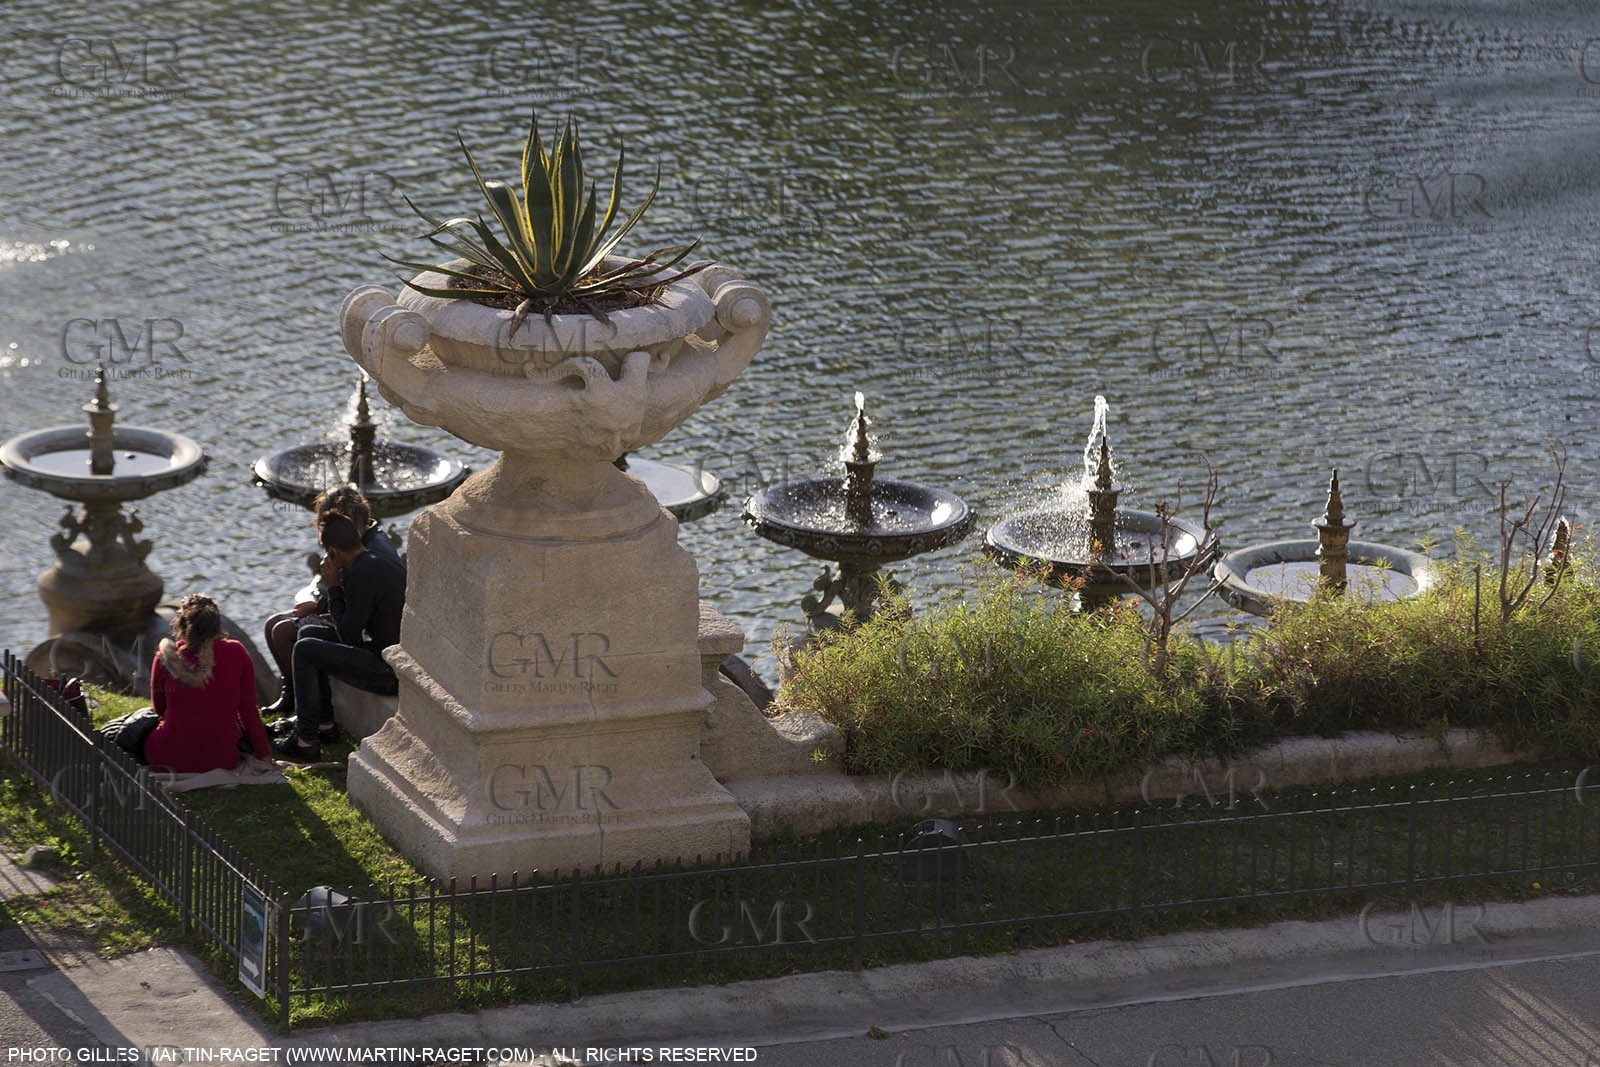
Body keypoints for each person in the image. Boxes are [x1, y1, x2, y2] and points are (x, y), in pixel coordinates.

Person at [275, 512, 406, 761]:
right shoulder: (373, 562)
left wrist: (333, 586)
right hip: (384, 654)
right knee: (309, 631)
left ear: (333, 552)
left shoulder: (361, 572)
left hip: (390, 670)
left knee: (305, 649)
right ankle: (324, 724)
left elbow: (349, 637)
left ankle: (305, 739)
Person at [262, 487, 399, 717]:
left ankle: (309, 713)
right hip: (356, 622)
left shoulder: (369, 558)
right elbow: (350, 593)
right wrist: (321, 605)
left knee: (284, 631)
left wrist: (323, 606)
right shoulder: (361, 547)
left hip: (372, 644)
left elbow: (352, 624)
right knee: (272, 624)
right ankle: (292, 695)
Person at [143, 594, 273, 774]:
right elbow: (248, 712)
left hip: (168, 759)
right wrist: (264, 755)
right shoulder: (236, 652)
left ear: (180, 625)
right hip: (222, 758)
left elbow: (159, 709)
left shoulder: (166, 657)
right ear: (216, 624)